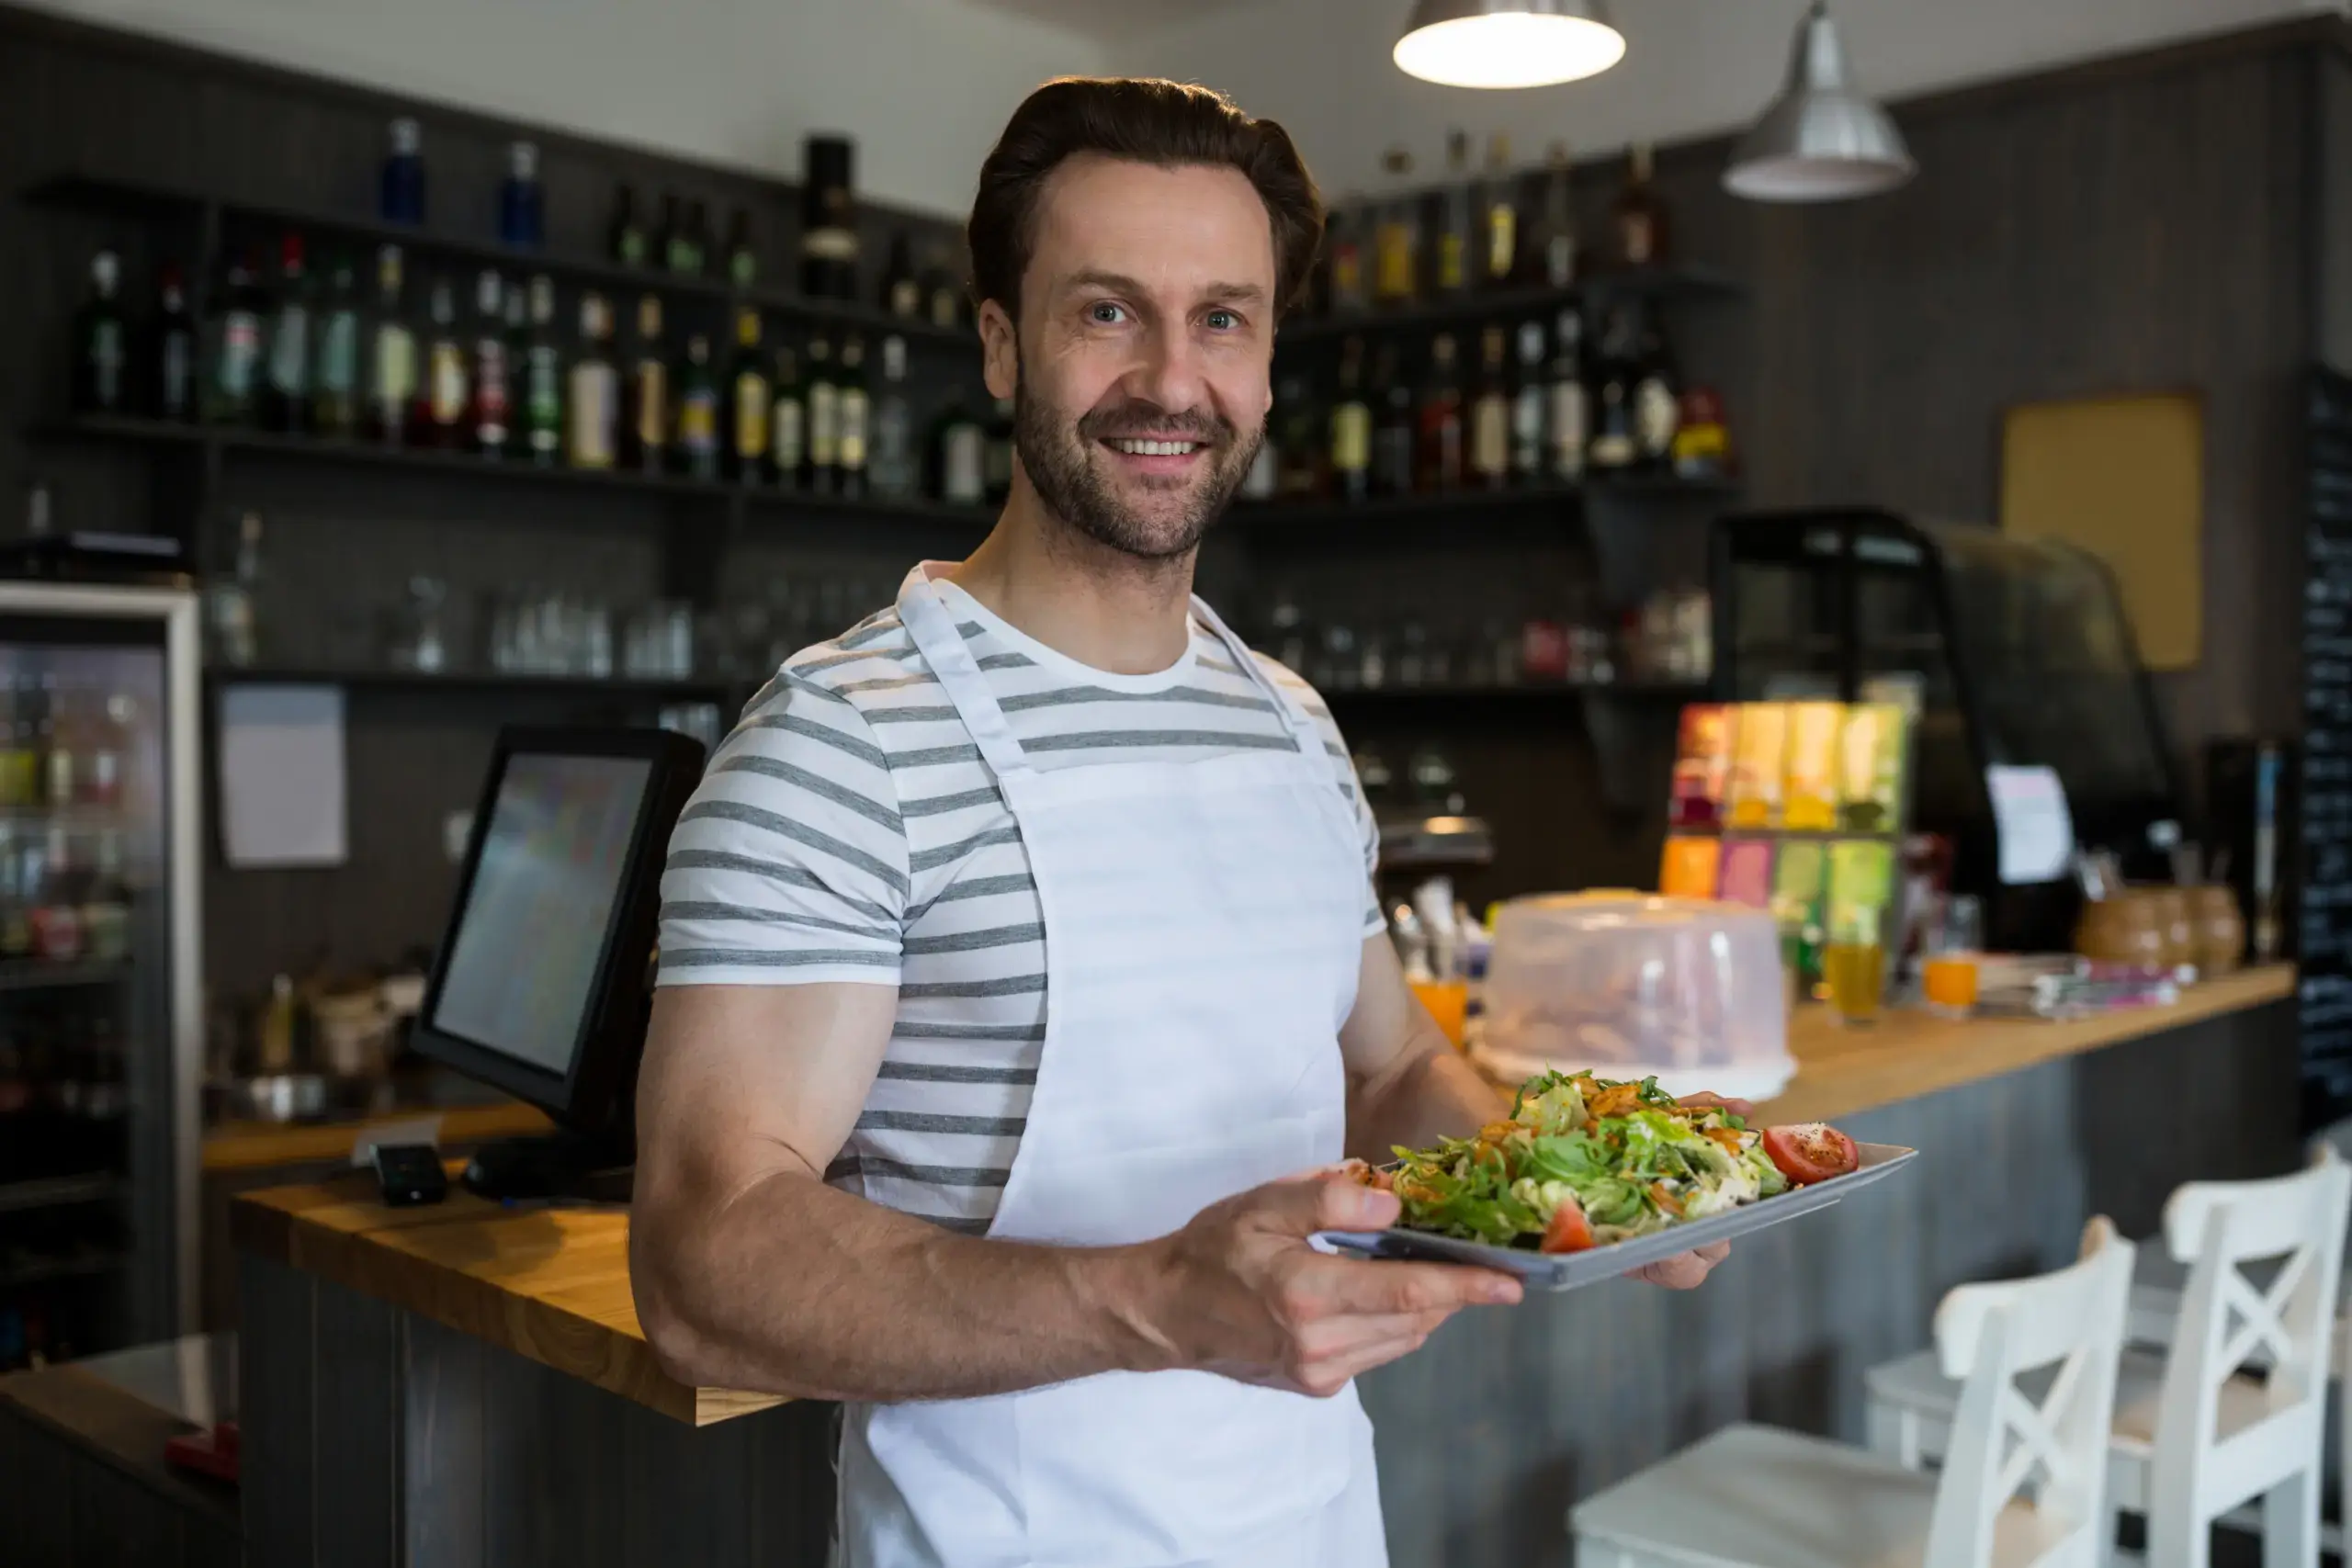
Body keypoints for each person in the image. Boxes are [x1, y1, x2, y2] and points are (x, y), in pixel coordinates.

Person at [629, 76, 1731, 1568]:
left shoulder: (1291, 723)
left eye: (1222, 318)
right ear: (1001, 344)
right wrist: (1156, 1298)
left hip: (1316, 1527)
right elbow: (702, 1263)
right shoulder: (842, 740)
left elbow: (1393, 1066)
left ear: (1269, 368)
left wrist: (1592, 1183)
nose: (1170, 378)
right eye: (1107, 312)